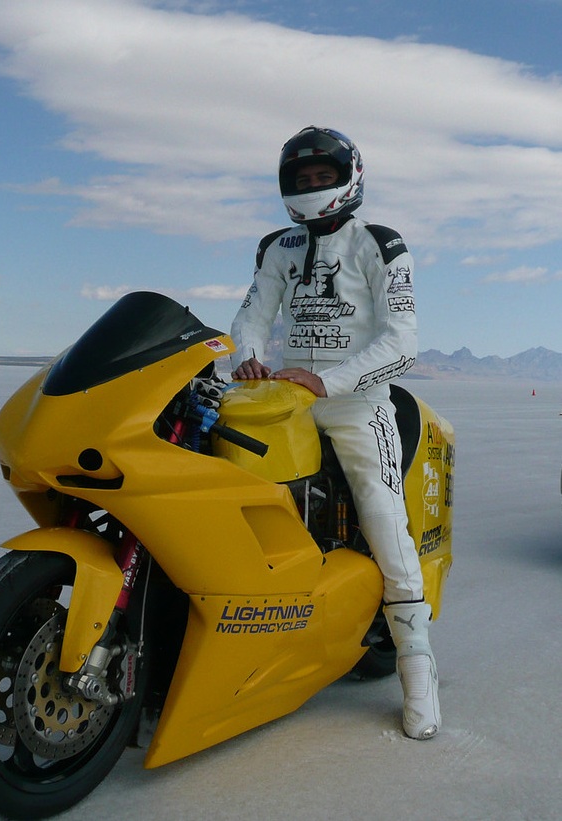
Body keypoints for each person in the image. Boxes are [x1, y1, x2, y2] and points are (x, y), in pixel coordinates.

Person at [229, 126, 440, 740]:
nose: (314, 188)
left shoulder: (380, 242)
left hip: (356, 399)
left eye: (324, 178)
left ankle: (416, 666)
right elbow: (253, 314)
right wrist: (246, 356)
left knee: (382, 513)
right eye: (303, 181)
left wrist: (331, 382)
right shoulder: (278, 246)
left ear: (349, 178)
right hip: (281, 394)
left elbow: (402, 341)